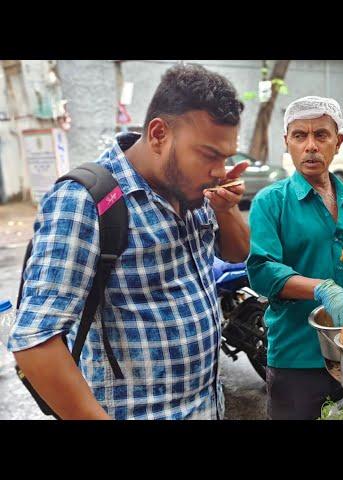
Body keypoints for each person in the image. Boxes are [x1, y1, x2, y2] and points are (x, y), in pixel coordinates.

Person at [8, 64, 249, 420]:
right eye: (209, 154)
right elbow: (35, 341)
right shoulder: (86, 201)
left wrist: (227, 211)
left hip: (207, 407)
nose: (219, 170)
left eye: (226, 157)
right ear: (158, 134)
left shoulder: (192, 191)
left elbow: (235, 253)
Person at [246, 96, 343, 420]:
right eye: (300, 136)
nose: (310, 146)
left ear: (337, 142)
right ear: (287, 143)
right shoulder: (270, 202)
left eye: (321, 135)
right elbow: (261, 271)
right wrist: (321, 288)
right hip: (298, 356)